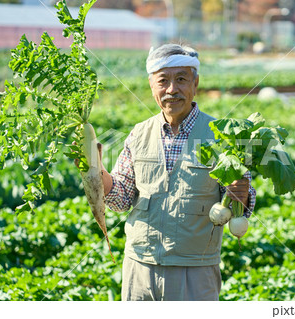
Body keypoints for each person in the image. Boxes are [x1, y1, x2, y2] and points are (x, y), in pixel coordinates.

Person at [98, 43, 256, 301]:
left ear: (195, 84)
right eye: (163, 81)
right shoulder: (139, 134)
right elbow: (121, 199)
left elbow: (241, 202)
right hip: (140, 266)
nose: (172, 89)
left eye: (181, 79)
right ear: (152, 87)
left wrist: (242, 194)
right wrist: (97, 172)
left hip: (194, 269)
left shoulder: (221, 136)